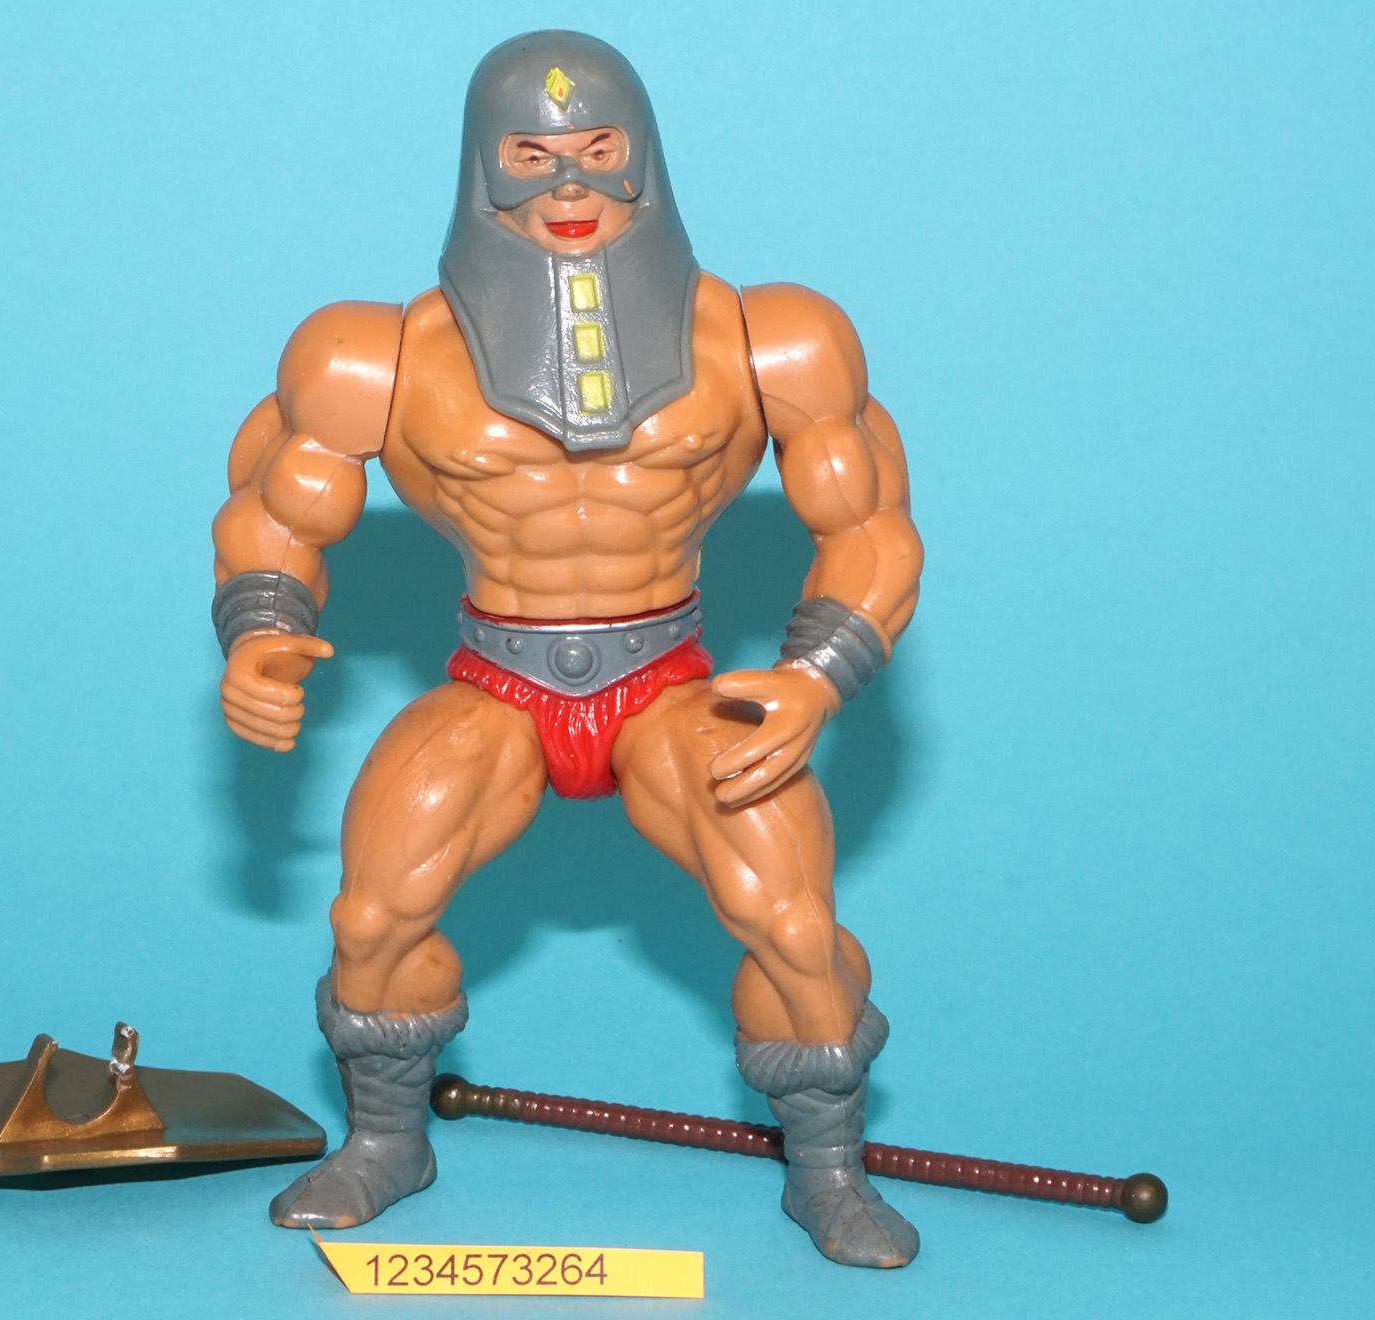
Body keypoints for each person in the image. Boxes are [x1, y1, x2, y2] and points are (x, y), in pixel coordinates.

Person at [210, 30, 924, 1268]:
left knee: (793, 925)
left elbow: (869, 528)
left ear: (645, 155)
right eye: (532, 160)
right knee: (373, 915)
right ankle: (385, 1140)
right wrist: (262, 632)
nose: (570, 188)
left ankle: (827, 1171)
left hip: (669, 681)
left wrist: (817, 678)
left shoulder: (769, 338)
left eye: (598, 152)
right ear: (480, 168)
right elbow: (272, 513)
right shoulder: (373, 353)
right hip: (500, 676)